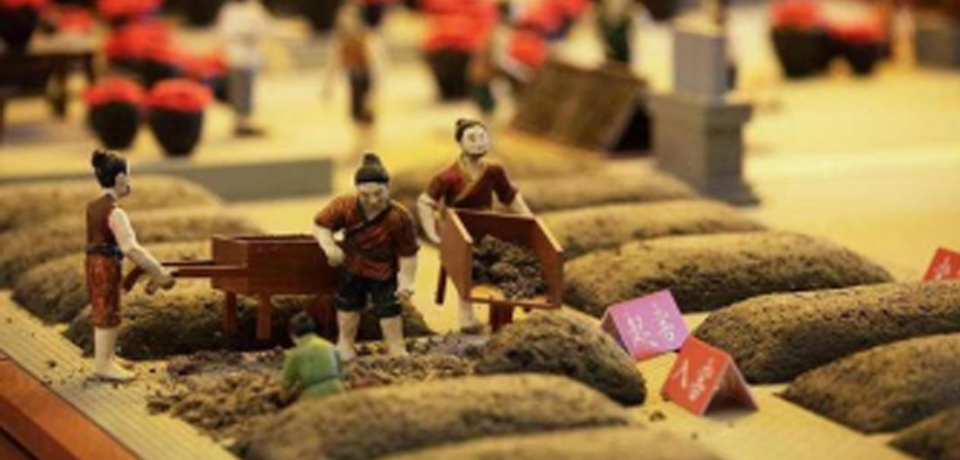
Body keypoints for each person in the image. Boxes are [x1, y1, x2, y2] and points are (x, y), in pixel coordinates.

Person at [416, 119, 531, 333]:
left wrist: (528, 218)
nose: (479, 143)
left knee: (506, 269)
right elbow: (425, 202)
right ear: (460, 143)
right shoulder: (447, 177)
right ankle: (467, 319)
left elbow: (510, 196)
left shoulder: (494, 171)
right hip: (459, 234)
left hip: (488, 231)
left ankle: (501, 320)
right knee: (468, 271)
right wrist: (433, 233)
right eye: (472, 138)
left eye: (482, 137)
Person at [313, 153, 419, 361]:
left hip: (384, 269)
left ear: (388, 188)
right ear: (357, 191)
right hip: (353, 266)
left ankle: (396, 347)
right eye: (365, 195)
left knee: (389, 309)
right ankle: (345, 345)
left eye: (379, 194)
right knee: (347, 307)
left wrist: (406, 280)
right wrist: (330, 247)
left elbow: (408, 253)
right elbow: (321, 225)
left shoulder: (400, 217)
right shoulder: (344, 206)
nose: (373, 200)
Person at [86, 149, 175, 381]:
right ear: (119, 178)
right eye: (128, 175)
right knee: (108, 312)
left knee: (104, 309)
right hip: (106, 266)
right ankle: (103, 366)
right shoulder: (116, 213)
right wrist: (158, 272)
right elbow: (131, 248)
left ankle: (106, 358)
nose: (129, 181)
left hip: (94, 263)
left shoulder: (93, 206)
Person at [217, 0, 271, 137]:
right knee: (239, 91)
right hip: (236, 55)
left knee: (247, 90)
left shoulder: (253, 8)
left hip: (248, 55)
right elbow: (225, 31)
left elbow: (264, 28)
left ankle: (245, 121)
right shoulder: (230, 9)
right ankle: (240, 122)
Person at [282, 313, 346, 400]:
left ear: (292, 335)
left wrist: (283, 399)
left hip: (314, 396)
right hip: (338, 392)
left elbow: (286, 385)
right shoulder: (330, 346)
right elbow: (341, 375)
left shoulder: (295, 354)